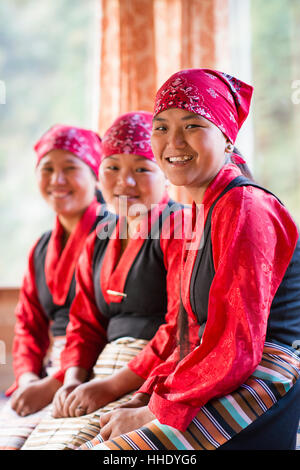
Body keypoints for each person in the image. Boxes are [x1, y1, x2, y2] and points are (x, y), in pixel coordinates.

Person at [81, 69, 300, 451]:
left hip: (260, 375)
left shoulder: (245, 206)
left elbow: (237, 342)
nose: (173, 141)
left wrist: (155, 412)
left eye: (193, 125)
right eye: (161, 128)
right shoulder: (201, 210)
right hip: (217, 369)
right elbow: (189, 332)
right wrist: (148, 393)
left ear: (228, 139)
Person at [21, 111, 188, 450]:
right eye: (112, 167)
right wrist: (72, 379)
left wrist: (110, 387)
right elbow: (83, 323)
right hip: (96, 375)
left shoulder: (180, 227)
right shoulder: (99, 237)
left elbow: (180, 327)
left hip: (150, 379)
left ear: (167, 175)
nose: (125, 182)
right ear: (99, 175)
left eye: (141, 169)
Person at [0, 124, 103, 450]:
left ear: (96, 175)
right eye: (47, 169)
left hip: (94, 370)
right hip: (47, 374)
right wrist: (29, 379)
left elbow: (112, 325)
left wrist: (53, 384)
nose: (57, 180)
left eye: (70, 168)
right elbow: (28, 327)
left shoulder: (113, 235)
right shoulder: (41, 247)